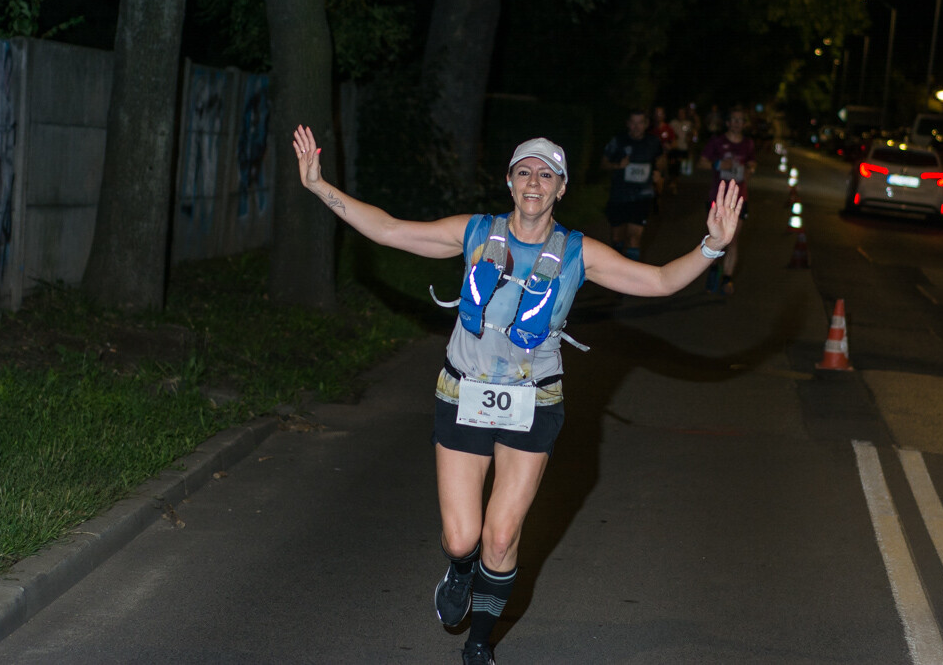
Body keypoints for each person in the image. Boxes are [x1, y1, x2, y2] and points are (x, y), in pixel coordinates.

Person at [292, 125, 742, 665]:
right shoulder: (476, 232)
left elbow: (661, 281)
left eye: (546, 174)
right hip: (463, 391)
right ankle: (459, 573)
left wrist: (712, 244)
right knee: (463, 540)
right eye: (524, 172)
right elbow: (388, 230)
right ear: (510, 182)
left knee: (501, 537)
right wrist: (320, 186)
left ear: (561, 188)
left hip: (534, 402)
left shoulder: (580, 251)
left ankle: (480, 643)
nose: (534, 182)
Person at [698, 106, 757, 295]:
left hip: (740, 198)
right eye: (734, 119)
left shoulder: (748, 144)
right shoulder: (717, 142)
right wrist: (718, 164)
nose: (738, 123)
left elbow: (752, 164)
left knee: (732, 239)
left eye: (741, 120)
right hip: (718, 197)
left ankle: (727, 279)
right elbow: (701, 162)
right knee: (717, 238)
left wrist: (749, 168)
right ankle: (714, 269)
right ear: (728, 122)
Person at [601, 109, 665, 260]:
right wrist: (618, 166)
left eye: (640, 123)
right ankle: (615, 271)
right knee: (618, 238)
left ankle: (630, 277)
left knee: (635, 238)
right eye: (633, 123)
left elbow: (662, 162)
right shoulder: (618, 141)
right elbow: (603, 163)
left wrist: (659, 174)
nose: (636, 127)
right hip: (619, 195)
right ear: (628, 124)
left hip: (642, 196)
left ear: (646, 124)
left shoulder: (653, 142)